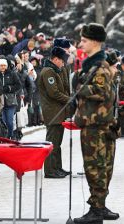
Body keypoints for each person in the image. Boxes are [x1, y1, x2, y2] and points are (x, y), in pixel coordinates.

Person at [73, 23, 119, 223]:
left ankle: (96, 210)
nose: (80, 44)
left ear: (94, 41)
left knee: (95, 167)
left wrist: (79, 87)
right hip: (101, 123)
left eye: (83, 40)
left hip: (96, 125)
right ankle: (100, 204)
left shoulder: (98, 67)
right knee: (103, 167)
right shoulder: (97, 65)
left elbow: (102, 92)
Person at [38, 47, 71, 179]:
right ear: (56, 59)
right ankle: (50, 170)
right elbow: (54, 93)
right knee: (52, 143)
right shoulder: (48, 72)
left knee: (57, 143)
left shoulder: (54, 70)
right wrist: (69, 100)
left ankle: (57, 167)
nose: (63, 64)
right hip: (52, 112)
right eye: (62, 61)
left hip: (58, 112)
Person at [0, 57, 21, 139]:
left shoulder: (12, 74)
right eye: (1, 65)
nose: (3, 67)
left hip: (10, 101)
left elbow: (18, 85)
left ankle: (10, 136)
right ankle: (5, 137)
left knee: (10, 121)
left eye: (4, 65)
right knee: (3, 121)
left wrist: (9, 88)